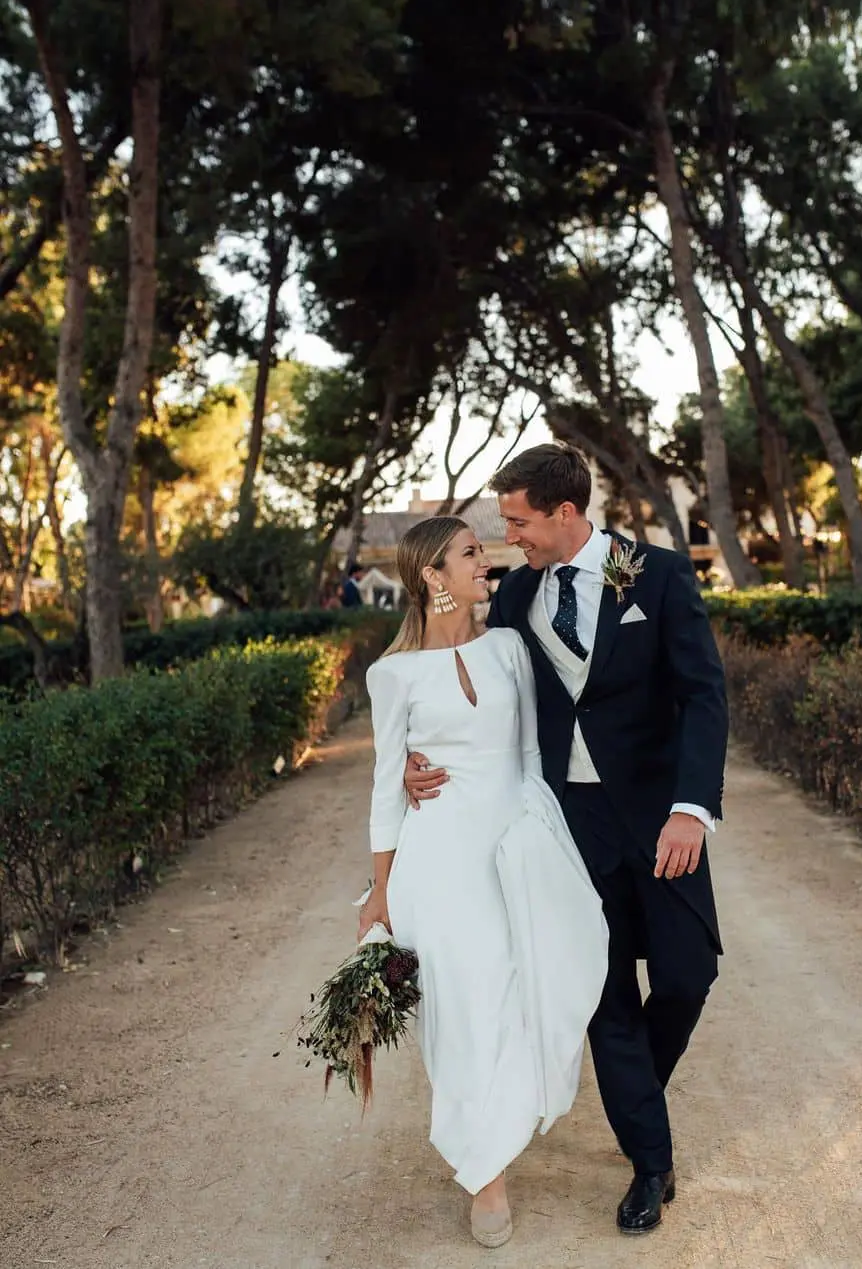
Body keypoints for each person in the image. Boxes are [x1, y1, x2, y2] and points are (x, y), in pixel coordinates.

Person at [406, 444, 728, 1235]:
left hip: (660, 816)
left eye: (519, 521)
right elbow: (465, 677)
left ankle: (636, 1094)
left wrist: (692, 807)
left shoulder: (656, 575)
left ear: (566, 512)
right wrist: (420, 756)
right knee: (604, 992)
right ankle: (650, 1162)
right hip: (564, 824)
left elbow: (703, 694)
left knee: (687, 973)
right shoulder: (516, 595)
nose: (510, 536)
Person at [357, 515, 607, 1250]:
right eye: (470, 554)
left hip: (513, 846)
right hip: (438, 862)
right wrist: (380, 890)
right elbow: (385, 788)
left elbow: (529, 755)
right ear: (433, 575)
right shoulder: (392, 674)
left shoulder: (508, 649)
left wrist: (540, 844)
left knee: (516, 993)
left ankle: (498, 1127)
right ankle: (486, 1175)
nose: (485, 562)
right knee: (462, 1006)